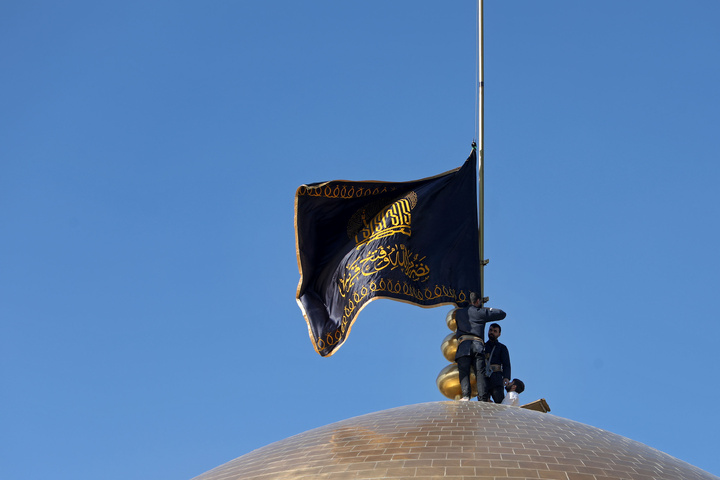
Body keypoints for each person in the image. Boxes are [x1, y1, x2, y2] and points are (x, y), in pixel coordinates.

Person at [454, 292, 506, 401]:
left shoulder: (458, 313)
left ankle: (466, 396)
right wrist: (485, 309)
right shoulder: (480, 313)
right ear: (478, 301)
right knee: (480, 373)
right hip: (478, 346)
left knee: (464, 371)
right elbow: (502, 314)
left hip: (463, 346)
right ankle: (482, 398)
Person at [483, 323, 511, 403]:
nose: (492, 332)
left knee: (499, 403)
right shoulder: (482, 346)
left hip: (497, 377)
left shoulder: (502, 347)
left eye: (495, 331)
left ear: (499, 334)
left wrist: (506, 377)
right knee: (483, 402)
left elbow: (506, 363)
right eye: (490, 330)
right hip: (484, 378)